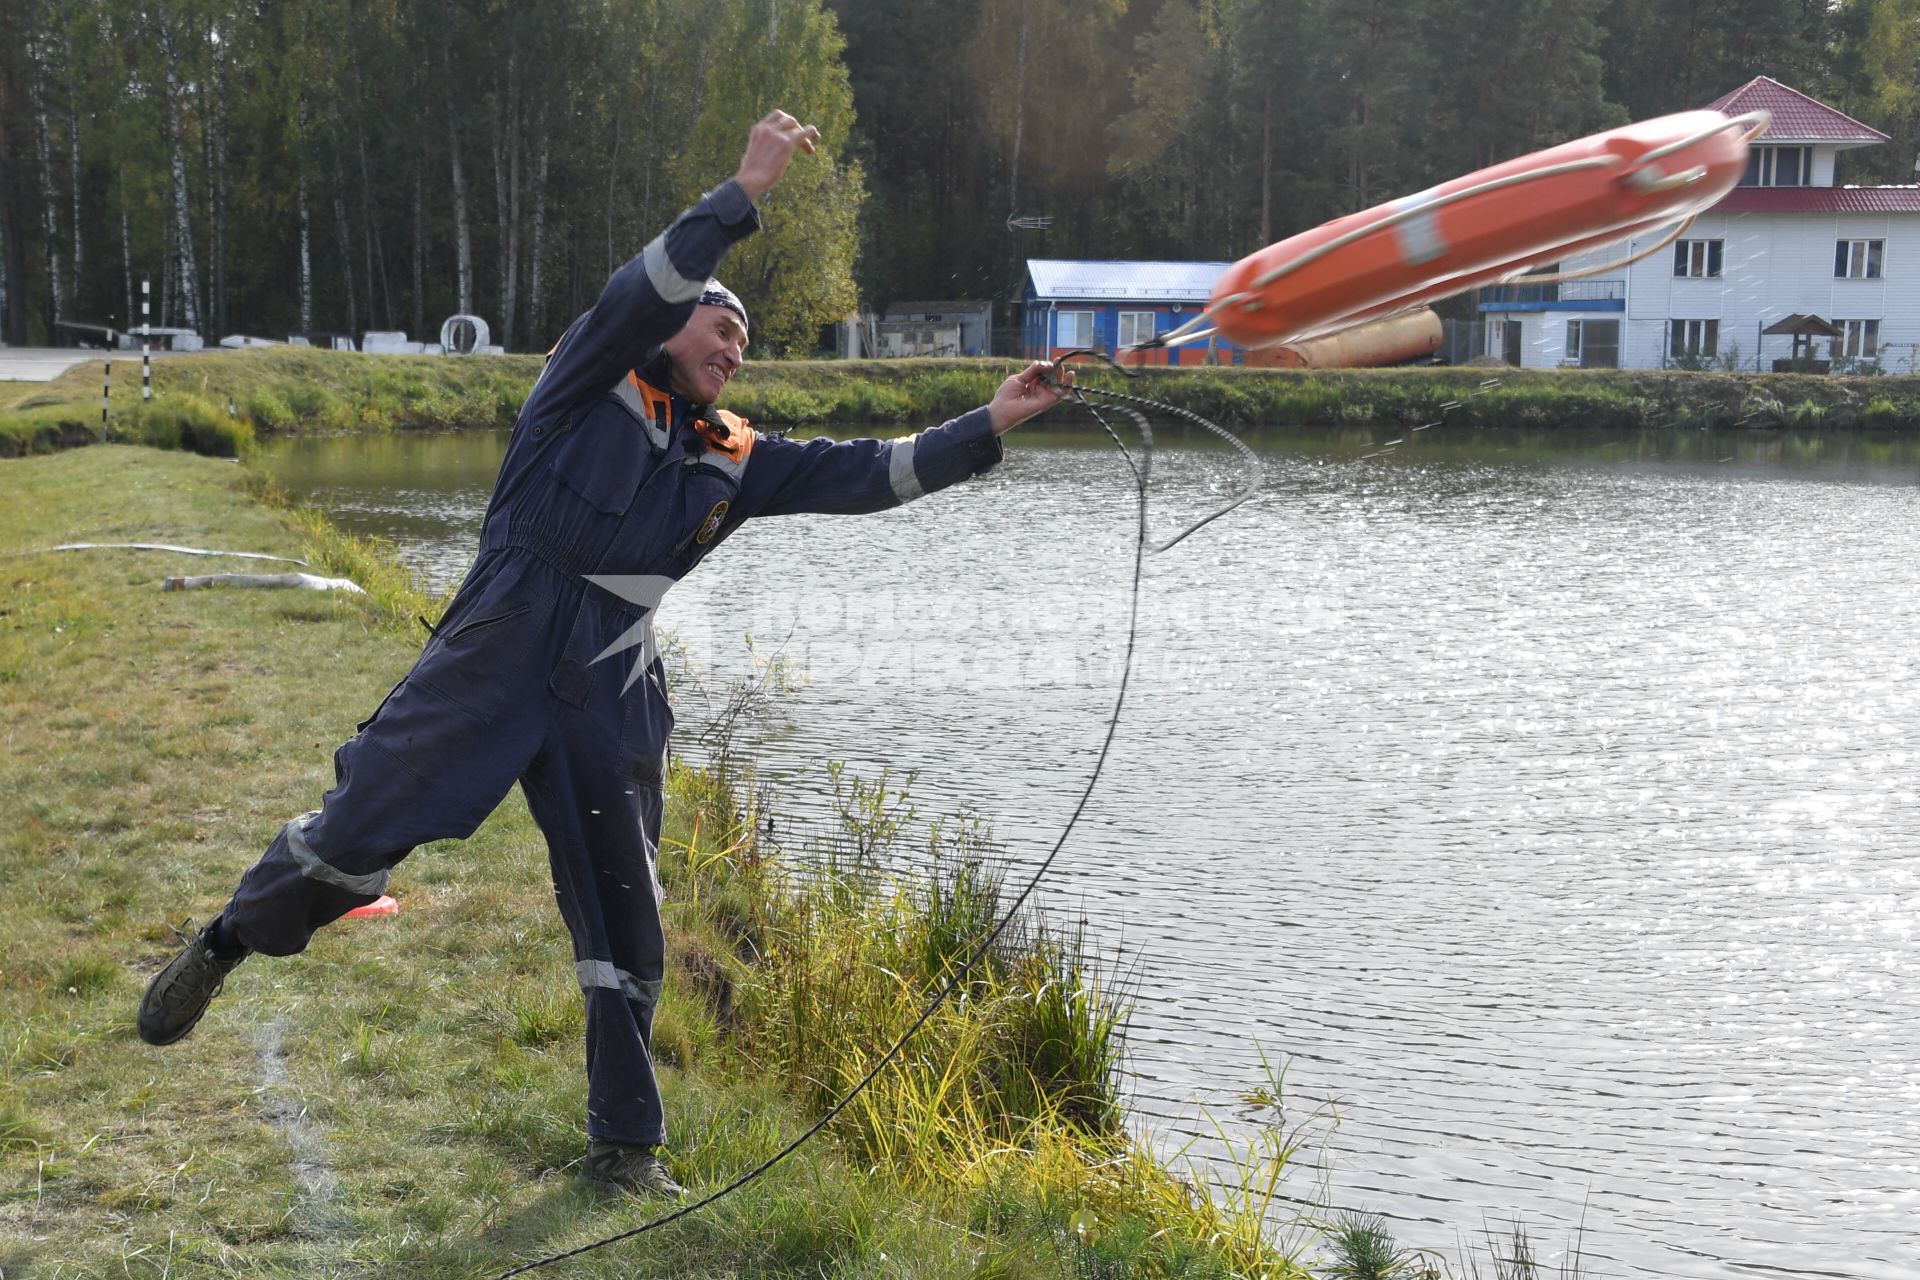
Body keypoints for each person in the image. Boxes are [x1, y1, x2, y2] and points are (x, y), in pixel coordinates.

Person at [136, 109, 1071, 1197]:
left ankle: (624, 1145)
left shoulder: (736, 456)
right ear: (671, 329)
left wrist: (991, 421)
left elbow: (868, 471)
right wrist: (741, 197)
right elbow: (643, 289)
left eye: (747, 344)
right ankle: (228, 941)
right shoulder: (585, 376)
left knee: (626, 909)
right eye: (722, 327)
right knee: (357, 828)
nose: (736, 347)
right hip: (500, 642)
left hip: (614, 680)